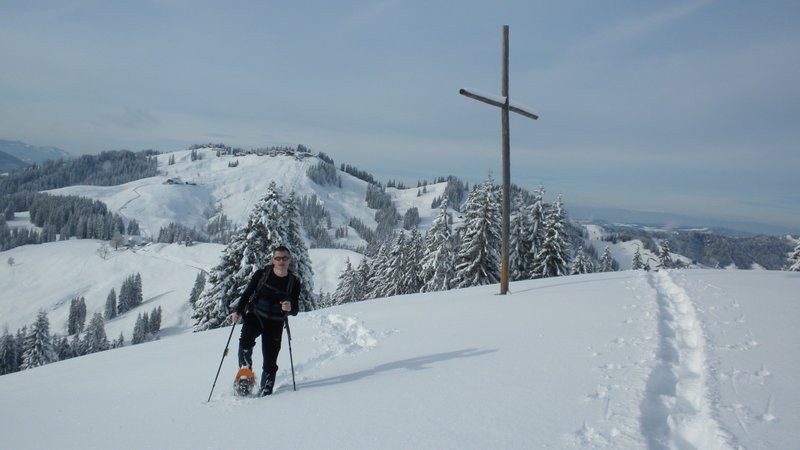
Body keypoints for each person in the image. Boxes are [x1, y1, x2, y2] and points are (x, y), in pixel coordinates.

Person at [231, 245, 301, 396]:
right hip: (256, 316)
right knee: (245, 343)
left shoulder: (294, 282)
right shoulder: (262, 274)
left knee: (270, 360)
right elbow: (247, 293)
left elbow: (295, 309)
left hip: (276, 323)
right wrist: (238, 310)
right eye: (278, 258)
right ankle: (245, 376)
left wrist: (290, 307)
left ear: (290, 260)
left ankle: (266, 388)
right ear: (272, 260)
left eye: (284, 258)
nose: (281, 261)